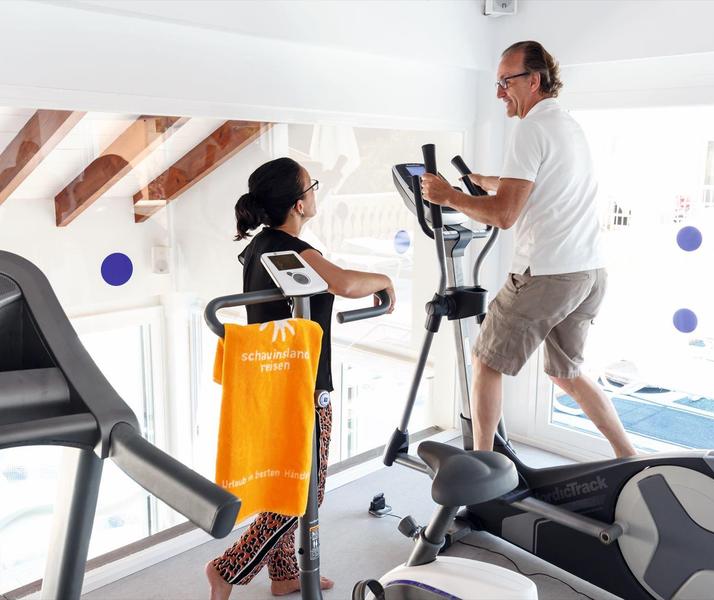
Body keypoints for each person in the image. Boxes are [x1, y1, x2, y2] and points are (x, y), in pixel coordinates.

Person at [420, 41, 635, 458]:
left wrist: (448, 197)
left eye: (506, 81)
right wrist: (488, 182)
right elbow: (539, 183)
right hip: (587, 273)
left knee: (485, 360)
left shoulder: (530, 128)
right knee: (567, 372)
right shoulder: (566, 125)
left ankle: (482, 464)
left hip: (547, 274)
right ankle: (629, 455)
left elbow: (503, 215)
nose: (500, 92)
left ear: (534, 80)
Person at [206, 157, 396, 599]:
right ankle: (227, 568)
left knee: (285, 480)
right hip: (302, 386)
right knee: (306, 489)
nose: (315, 193)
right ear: (298, 203)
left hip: (273, 381)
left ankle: (284, 573)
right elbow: (344, 283)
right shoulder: (292, 250)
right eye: (312, 186)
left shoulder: (261, 245)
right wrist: (386, 279)